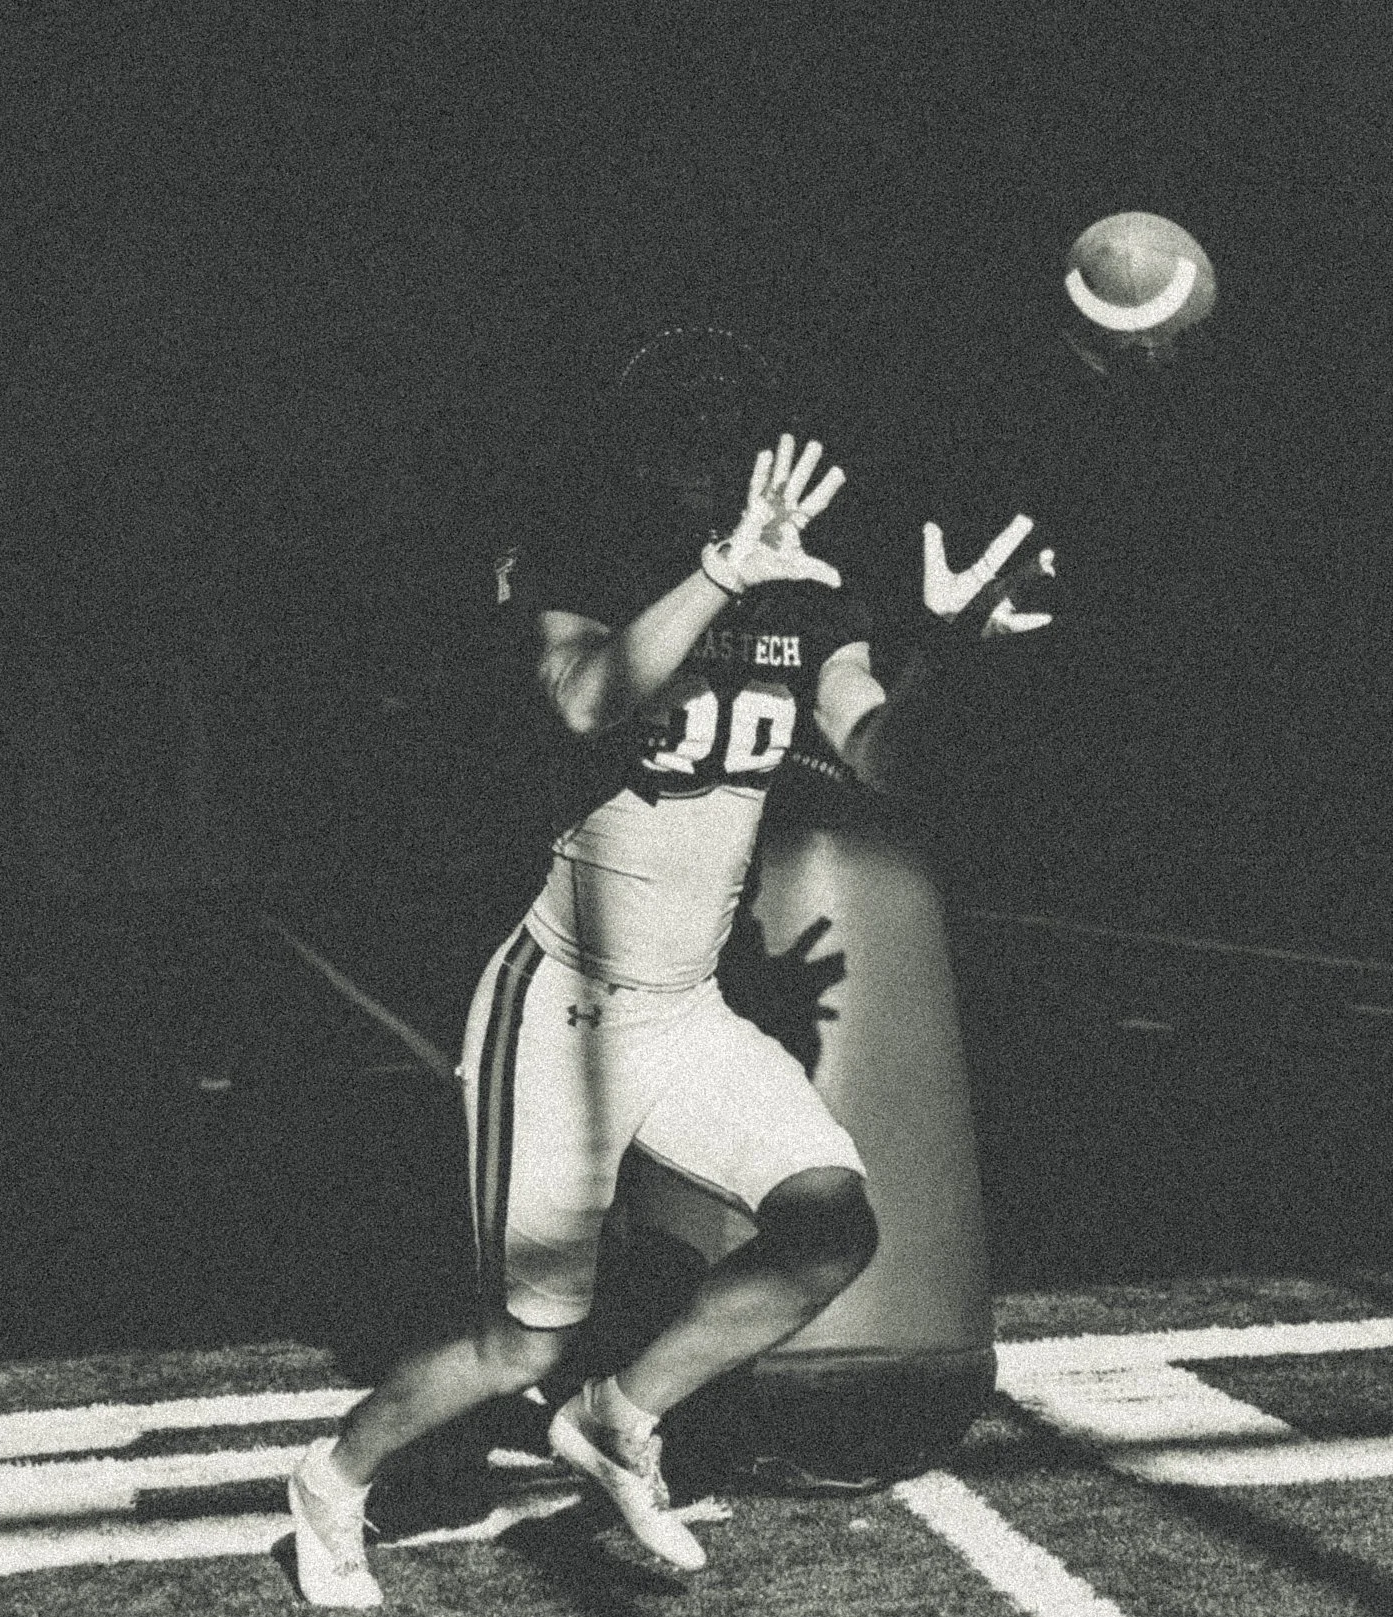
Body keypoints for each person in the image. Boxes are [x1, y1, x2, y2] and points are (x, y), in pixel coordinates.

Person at [285, 426, 1054, 1606]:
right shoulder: (585, 570)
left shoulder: (811, 605)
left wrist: (946, 650)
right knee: (520, 1342)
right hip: (564, 1013)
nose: (711, 472)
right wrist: (718, 574)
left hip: (685, 1011)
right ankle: (332, 1485)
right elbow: (589, 699)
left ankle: (615, 1419)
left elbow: (883, 753)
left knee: (829, 1230)